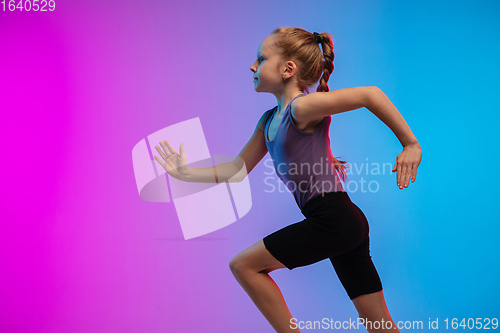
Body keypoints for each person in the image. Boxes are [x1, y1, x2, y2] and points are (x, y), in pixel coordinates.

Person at [154, 27, 422, 333]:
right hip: (344, 221)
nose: (252, 66)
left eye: (261, 58)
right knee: (379, 325)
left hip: (333, 218)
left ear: (287, 69)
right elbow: (237, 169)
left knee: (244, 266)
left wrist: (410, 144)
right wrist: (186, 174)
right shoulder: (268, 121)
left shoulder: (301, 108)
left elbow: (369, 94)